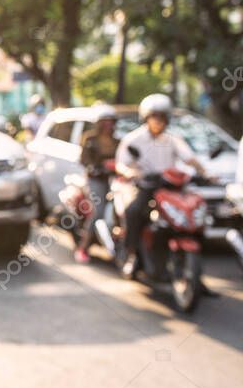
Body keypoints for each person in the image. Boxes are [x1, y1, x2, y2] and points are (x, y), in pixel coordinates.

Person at [115, 93, 207, 278]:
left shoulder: (173, 139)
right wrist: (130, 172)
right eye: (154, 117)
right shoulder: (134, 139)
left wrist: (206, 174)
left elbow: (190, 159)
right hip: (146, 187)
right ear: (146, 118)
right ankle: (132, 255)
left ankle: (196, 272)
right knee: (134, 212)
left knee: (195, 214)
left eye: (162, 117)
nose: (158, 121)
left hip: (170, 188)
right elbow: (121, 164)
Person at [74, 104, 120, 264]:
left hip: (117, 180)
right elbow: (84, 160)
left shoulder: (118, 141)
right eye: (105, 122)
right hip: (96, 180)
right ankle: (83, 247)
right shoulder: (89, 139)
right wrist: (97, 168)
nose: (108, 125)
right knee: (98, 211)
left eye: (111, 122)